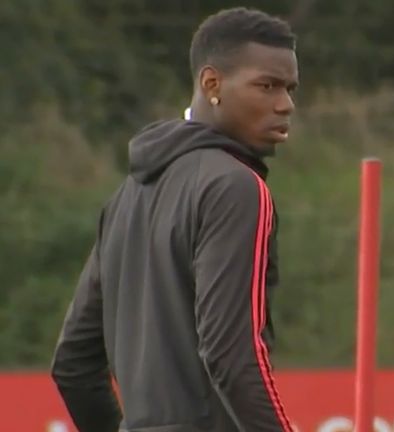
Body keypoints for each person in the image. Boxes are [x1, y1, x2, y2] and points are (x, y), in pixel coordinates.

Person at [50, 7, 298, 432]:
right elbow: (231, 354)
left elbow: (73, 364)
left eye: (290, 88)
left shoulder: (126, 196)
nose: (285, 104)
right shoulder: (236, 188)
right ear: (211, 83)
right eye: (267, 86)